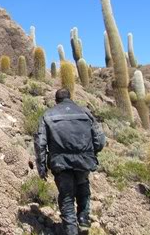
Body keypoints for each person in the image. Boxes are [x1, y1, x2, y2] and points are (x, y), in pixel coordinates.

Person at [34, 88, 105, 235]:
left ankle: (71, 230)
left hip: (60, 163)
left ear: (56, 100)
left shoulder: (48, 115)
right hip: (84, 159)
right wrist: (92, 153)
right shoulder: (85, 112)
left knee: (66, 197)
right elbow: (99, 139)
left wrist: (41, 166)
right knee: (83, 186)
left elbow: (40, 143)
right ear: (70, 97)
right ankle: (84, 220)